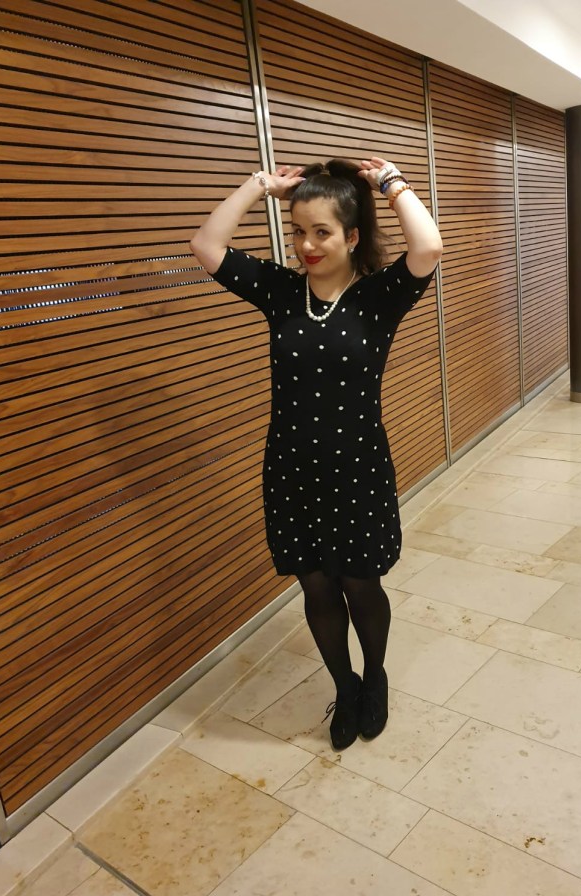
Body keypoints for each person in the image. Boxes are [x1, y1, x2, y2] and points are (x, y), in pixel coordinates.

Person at [189, 156, 443, 750]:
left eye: (321, 232)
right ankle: (345, 686)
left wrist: (391, 183)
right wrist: (259, 185)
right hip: (291, 470)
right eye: (298, 230)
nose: (306, 244)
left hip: (358, 469)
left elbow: (428, 246)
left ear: (351, 237)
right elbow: (206, 245)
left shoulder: (378, 297)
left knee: (360, 585)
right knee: (317, 589)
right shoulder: (281, 292)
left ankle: (374, 677)